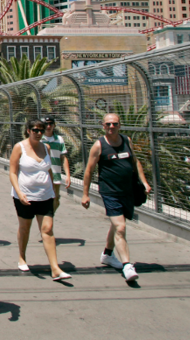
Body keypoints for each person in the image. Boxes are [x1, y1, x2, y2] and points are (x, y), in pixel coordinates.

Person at [82, 113, 152, 283]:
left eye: (114, 124)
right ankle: (127, 265)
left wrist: (144, 182)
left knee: (117, 225)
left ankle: (107, 255)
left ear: (119, 125)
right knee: (120, 227)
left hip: (127, 191)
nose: (111, 127)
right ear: (102, 125)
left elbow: (135, 162)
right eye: (108, 124)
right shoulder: (99, 145)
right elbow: (89, 171)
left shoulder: (126, 141)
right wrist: (85, 194)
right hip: (110, 191)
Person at [9, 119, 71, 281]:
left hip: (45, 195)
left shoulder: (46, 147)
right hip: (24, 196)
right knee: (25, 228)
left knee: (48, 229)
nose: (38, 133)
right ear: (28, 130)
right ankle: (22, 257)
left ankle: (55, 268)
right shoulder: (19, 147)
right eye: (35, 130)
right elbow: (13, 172)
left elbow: (49, 170)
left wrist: (53, 192)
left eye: (41, 131)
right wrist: (19, 192)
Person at [40, 116, 71, 212]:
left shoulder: (60, 139)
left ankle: (48, 218)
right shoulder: (39, 140)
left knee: (56, 199)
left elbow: (64, 157)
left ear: (54, 125)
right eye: (46, 124)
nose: (48, 126)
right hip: (43, 175)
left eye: (51, 124)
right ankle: (45, 220)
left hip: (56, 175)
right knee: (43, 199)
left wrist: (68, 175)